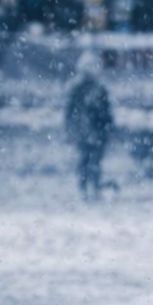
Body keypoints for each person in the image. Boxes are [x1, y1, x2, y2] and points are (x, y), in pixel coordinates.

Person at [64, 52, 114, 201]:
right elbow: (70, 112)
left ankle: (94, 188)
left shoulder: (100, 88)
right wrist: (72, 130)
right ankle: (84, 189)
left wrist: (109, 128)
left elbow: (106, 111)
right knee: (85, 161)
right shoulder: (76, 87)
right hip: (83, 131)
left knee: (96, 161)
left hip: (97, 130)